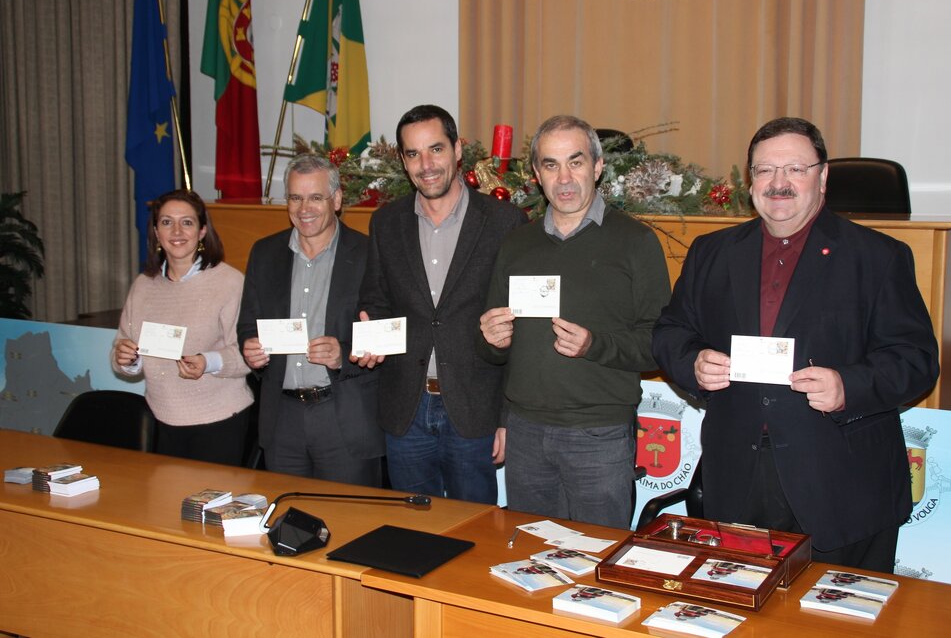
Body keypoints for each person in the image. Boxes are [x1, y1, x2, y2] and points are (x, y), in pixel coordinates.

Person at [651, 117, 939, 573]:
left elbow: (916, 360)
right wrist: (693, 362)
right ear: (750, 182)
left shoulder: (878, 257)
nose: (778, 183)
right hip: (737, 480)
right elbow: (670, 331)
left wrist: (849, 385)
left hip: (840, 483)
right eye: (765, 170)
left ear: (823, 177)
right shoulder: (713, 252)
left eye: (795, 169)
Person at [479, 115, 670, 528]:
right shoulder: (517, 244)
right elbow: (494, 351)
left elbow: (660, 343)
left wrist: (594, 345)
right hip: (526, 433)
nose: (564, 177)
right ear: (536, 175)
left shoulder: (636, 242)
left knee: (597, 568)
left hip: (598, 435)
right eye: (551, 164)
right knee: (531, 563)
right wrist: (492, 341)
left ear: (598, 167)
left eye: (576, 162)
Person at [353, 105, 526, 503]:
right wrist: (371, 334)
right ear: (402, 160)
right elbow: (374, 299)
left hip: (474, 410)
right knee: (413, 531)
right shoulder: (386, 222)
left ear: (458, 149)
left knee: (475, 532)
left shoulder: (505, 222)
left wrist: (506, 418)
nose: (426, 164)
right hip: (405, 409)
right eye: (413, 154)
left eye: (435, 149)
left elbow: (518, 329)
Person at [237, 153, 383, 485]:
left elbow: (383, 329)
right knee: (289, 522)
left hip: (343, 415)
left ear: (337, 199)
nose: (305, 208)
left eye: (316, 197)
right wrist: (250, 347)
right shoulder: (264, 253)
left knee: (352, 523)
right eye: (295, 197)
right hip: (282, 417)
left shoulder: (368, 254)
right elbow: (248, 322)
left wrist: (343, 352)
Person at [112, 190, 252, 465]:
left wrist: (207, 362)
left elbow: (248, 354)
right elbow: (123, 348)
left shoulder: (229, 282)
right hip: (160, 420)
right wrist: (126, 358)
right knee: (165, 505)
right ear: (155, 231)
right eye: (166, 222)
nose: (176, 231)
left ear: (202, 231)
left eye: (186, 222)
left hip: (219, 422)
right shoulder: (143, 285)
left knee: (208, 507)